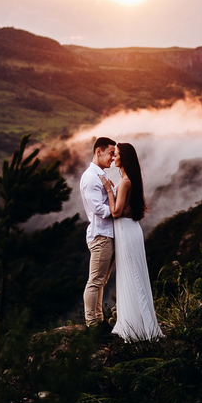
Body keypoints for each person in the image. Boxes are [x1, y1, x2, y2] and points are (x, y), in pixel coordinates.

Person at [102, 142, 163, 342]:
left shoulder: (125, 182)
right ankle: (134, 323)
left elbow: (116, 211)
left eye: (117, 154)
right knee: (129, 275)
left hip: (126, 231)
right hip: (128, 230)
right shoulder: (127, 180)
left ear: (124, 158)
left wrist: (109, 190)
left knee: (133, 276)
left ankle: (141, 327)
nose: (114, 157)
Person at [80, 136, 117, 327]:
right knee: (95, 281)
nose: (113, 157)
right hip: (101, 235)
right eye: (111, 153)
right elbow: (98, 209)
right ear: (98, 152)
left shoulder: (100, 175)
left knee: (101, 280)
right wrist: (117, 209)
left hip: (106, 234)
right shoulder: (91, 177)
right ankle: (92, 323)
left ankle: (98, 320)